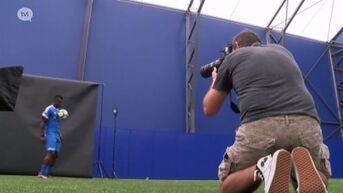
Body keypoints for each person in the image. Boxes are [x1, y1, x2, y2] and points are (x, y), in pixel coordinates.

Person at [203, 29, 331, 193]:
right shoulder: (283, 51)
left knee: (227, 186)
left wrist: (216, 80)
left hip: (262, 126)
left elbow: (209, 108)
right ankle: (298, 171)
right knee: (318, 174)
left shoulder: (233, 57)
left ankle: (264, 167)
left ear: (236, 45)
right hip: (306, 124)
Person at [37, 95, 64, 179]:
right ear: (55, 101)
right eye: (59, 102)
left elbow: (56, 123)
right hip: (50, 133)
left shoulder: (58, 111)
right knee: (51, 152)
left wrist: (59, 133)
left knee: (55, 154)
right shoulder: (49, 108)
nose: (60, 103)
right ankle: (41, 173)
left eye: (61, 102)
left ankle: (47, 173)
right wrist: (42, 135)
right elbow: (42, 121)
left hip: (56, 134)